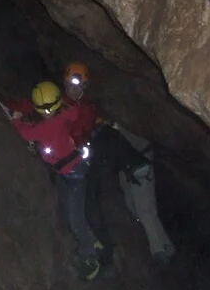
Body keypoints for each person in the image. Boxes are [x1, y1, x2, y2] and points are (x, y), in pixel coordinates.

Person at [64, 62, 177, 265]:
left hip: (140, 162)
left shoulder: (115, 121)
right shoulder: (92, 114)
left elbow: (119, 139)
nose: (74, 89)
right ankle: (167, 246)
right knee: (134, 207)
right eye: (70, 84)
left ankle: (159, 252)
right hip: (125, 166)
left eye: (78, 85)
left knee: (145, 210)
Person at [8, 81, 104, 281]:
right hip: (68, 173)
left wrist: (16, 118)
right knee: (68, 208)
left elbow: (26, 132)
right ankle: (92, 240)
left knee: (74, 218)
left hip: (74, 176)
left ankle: (90, 257)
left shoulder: (47, 126)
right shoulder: (64, 115)